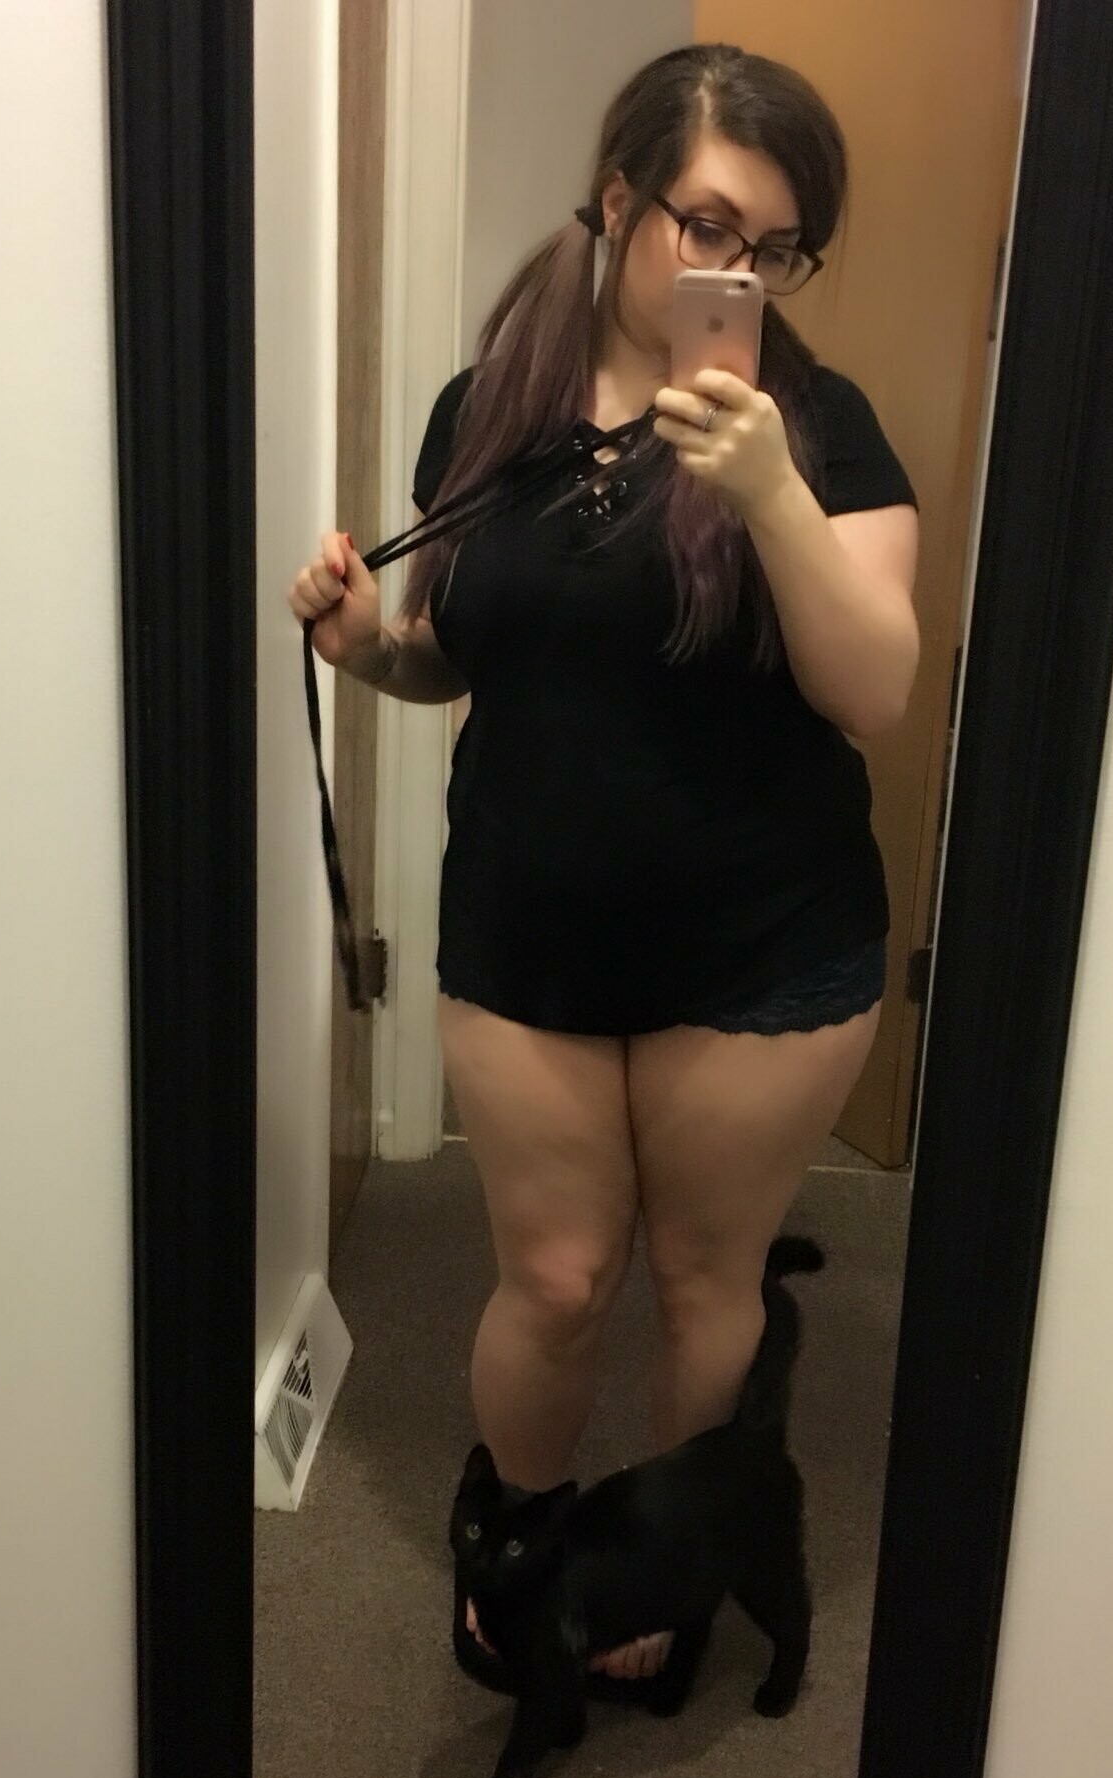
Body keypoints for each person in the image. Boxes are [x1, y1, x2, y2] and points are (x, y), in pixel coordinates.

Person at [287, 43, 919, 1684]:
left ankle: (657, 1561)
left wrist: (767, 491)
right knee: (556, 1280)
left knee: (705, 1279)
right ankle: (522, 1534)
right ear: (619, 199)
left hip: (762, 951)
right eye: (709, 225)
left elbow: (872, 690)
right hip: (529, 932)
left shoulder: (821, 428)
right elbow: (457, 654)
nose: (738, 271)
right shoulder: (485, 414)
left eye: (776, 247)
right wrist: (366, 649)